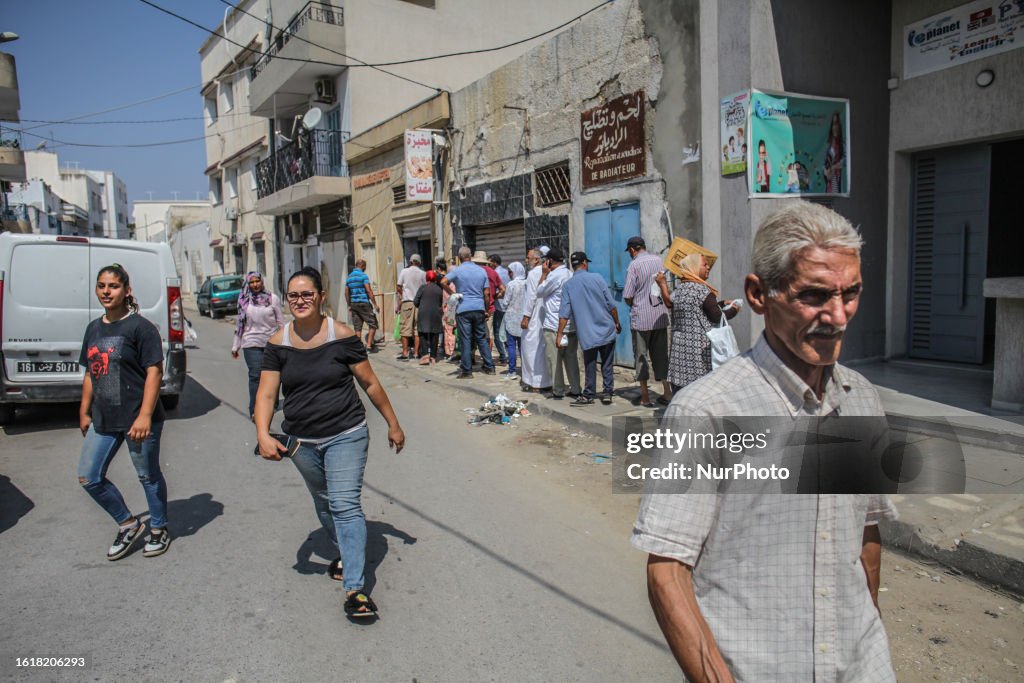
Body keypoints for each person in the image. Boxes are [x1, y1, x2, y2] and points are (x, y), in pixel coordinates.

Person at [632, 202, 897, 681]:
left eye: (852, 293)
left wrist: (869, 643)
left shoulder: (861, 398)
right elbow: (667, 571)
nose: (838, 315)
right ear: (759, 295)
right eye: (814, 295)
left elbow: (865, 536)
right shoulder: (705, 411)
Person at [255, 266, 405, 619]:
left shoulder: (342, 336)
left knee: (344, 504)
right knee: (324, 502)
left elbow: (370, 383)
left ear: (321, 297)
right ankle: (347, 552)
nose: (300, 300)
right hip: (301, 442)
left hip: (346, 433)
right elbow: (266, 394)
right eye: (294, 295)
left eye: (307, 294)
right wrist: (262, 433)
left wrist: (393, 424)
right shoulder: (278, 343)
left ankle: (355, 589)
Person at [77, 264, 171, 560]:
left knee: (147, 476)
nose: (106, 291)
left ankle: (159, 528)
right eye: (101, 285)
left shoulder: (141, 328)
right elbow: (90, 373)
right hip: (103, 417)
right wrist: (84, 410)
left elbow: (154, 372)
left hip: (137, 418)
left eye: (113, 286)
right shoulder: (93, 328)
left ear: (126, 290)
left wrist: (145, 415)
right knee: (89, 477)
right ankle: (128, 523)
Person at [654, 252, 739, 392]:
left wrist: (721, 303)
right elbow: (717, 317)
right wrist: (734, 309)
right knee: (699, 394)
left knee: (681, 396)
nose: (708, 267)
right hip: (697, 356)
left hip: (679, 355)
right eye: (704, 265)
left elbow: (695, 309)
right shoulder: (702, 290)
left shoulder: (680, 289)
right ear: (693, 267)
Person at [555, 252, 621, 406]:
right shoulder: (597, 278)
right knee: (607, 363)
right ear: (584, 263)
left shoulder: (568, 285)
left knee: (590, 364)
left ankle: (589, 394)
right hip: (606, 328)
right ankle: (607, 392)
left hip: (587, 334)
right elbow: (611, 305)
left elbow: (564, 314)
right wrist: (617, 322)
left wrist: (559, 334)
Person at [623, 236, 672, 407]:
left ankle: (645, 397)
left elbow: (628, 295)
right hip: (660, 316)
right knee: (661, 355)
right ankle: (667, 392)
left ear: (632, 250)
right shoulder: (659, 261)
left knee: (641, 356)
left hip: (641, 318)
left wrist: (633, 302)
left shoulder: (634, 265)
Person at [231, 271, 284, 420]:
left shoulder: (272, 299)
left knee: (274, 374)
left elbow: (280, 321)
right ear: (248, 284)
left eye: (257, 281)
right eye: (252, 282)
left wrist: (287, 341)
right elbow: (240, 325)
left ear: (262, 281)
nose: (255, 285)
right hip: (250, 342)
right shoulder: (244, 301)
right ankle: (255, 410)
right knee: (255, 375)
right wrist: (236, 346)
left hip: (272, 342)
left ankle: (272, 403)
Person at [528, 248, 580, 399]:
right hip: (571, 324)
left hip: (554, 324)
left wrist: (544, 274)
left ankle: (558, 390)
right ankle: (575, 388)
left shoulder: (554, 276)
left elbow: (539, 292)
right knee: (571, 359)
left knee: (554, 359)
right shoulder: (569, 274)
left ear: (549, 261)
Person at [440, 246, 495, 379]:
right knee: (481, 338)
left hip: (463, 308)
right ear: (471, 257)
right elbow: (487, 293)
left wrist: (453, 294)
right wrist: (486, 309)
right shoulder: (481, 271)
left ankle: (467, 370)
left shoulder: (458, 270)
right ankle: (489, 366)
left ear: (459, 258)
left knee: (465, 339)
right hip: (478, 307)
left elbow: (443, 281)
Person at [518, 248, 551, 392]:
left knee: (531, 349)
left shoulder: (533, 274)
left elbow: (531, 297)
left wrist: (526, 317)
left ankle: (535, 383)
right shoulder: (550, 272)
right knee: (543, 349)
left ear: (537, 260)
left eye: (528, 257)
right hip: (546, 315)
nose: (526, 260)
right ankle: (546, 380)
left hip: (534, 316)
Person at [475, 251, 506, 364]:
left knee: (474, 333)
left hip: (475, 307)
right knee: (489, 334)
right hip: (490, 308)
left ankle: (472, 357)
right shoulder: (493, 272)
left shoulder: (473, 271)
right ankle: (487, 359)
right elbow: (503, 289)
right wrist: (495, 297)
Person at [396, 254, 426, 360]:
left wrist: (402, 294)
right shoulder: (423, 273)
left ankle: (405, 353)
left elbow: (398, 286)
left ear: (410, 261)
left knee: (405, 328)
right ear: (419, 262)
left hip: (407, 302)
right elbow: (424, 288)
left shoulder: (404, 271)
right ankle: (416, 353)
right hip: (419, 303)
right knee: (417, 329)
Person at [501, 261, 528, 380]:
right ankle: (525, 370)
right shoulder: (527, 283)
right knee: (523, 346)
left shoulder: (511, 285)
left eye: (510, 272)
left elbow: (505, 302)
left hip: (511, 318)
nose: (509, 274)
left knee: (511, 345)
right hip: (524, 318)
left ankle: (511, 371)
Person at [346, 259, 379, 352]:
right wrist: (375, 305)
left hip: (354, 304)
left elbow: (346, 292)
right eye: (365, 267)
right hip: (364, 303)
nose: (365, 269)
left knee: (357, 327)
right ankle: (369, 346)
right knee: (373, 324)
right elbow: (368, 290)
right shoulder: (363, 276)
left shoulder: (349, 277)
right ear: (362, 266)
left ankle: (358, 347)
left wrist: (349, 305)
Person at [414, 269, 444, 364]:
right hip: (436, 314)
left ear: (426, 278)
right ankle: (433, 357)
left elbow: (416, 301)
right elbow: (441, 302)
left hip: (424, 313)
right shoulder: (439, 289)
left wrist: (421, 305)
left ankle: (425, 355)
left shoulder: (423, 288)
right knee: (434, 334)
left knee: (422, 333)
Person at [488, 254, 510, 365]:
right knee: (506, 330)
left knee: (497, 332)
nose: (488, 265)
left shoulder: (495, 273)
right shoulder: (507, 272)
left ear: (494, 263)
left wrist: (494, 297)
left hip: (499, 306)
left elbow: (501, 290)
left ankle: (503, 356)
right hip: (508, 306)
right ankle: (509, 354)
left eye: (489, 263)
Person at [824, 111, 845, 193]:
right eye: (833, 124)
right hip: (830, 181)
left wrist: (833, 167)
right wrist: (825, 171)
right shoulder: (828, 144)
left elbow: (845, 160)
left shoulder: (843, 144)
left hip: (838, 179)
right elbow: (824, 163)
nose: (835, 127)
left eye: (836, 123)